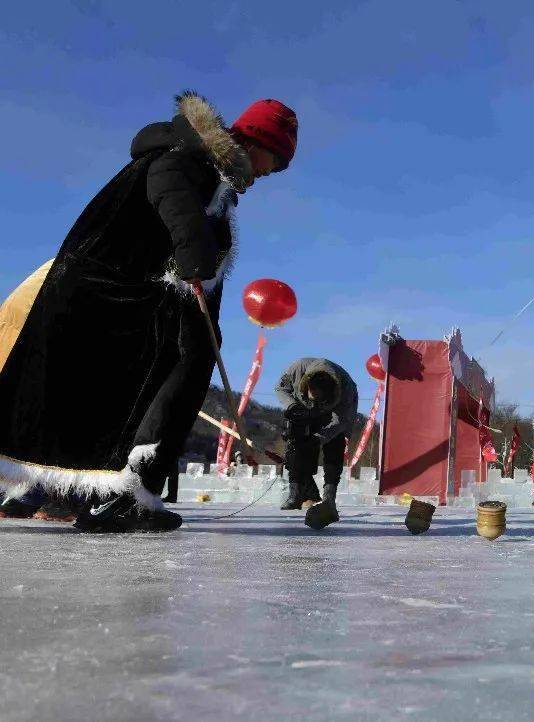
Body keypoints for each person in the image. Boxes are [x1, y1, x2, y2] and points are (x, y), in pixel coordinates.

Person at [0, 91, 298, 533]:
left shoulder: (211, 174)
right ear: (258, 142)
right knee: (164, 371)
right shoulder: (185, 158)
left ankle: (125, 494)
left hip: (140, 299)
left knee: (159, 376)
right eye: (274, 161)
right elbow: (168, 190)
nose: (268, 173)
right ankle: (119, 494)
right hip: (109, 294)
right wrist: (195, 251)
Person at [275, 358, 358, 529]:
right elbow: (280, 388)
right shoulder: (296, 370)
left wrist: (319, 437)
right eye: (312, 396)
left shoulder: (346, 389)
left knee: (335, 444)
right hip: (301, 408)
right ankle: (296, 492)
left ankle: (329, 496)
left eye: (319, 399)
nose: (315, 402)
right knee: (297, 444)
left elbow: (340, 422)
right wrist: (292, 406)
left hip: (334, 414)